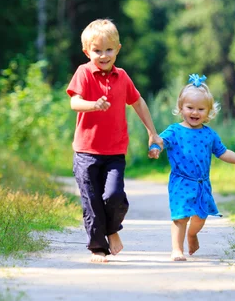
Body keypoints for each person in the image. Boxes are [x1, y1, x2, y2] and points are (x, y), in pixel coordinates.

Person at [67, 18, 163, 263]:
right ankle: (98, 248)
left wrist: (152, 132)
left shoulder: (122, 77)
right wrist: (93, 105)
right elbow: (74, 102)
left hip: (114, 152)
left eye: (109, 50)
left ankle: (112, 229)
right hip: (86, 151)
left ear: (118, 49)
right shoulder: (83, 73)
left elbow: (138, 102)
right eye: (97, 51)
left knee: (113, 196)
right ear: (87, 51)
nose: (103, 55)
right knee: (92, 201)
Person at [148, 74, 235, 261]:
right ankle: (177, 250)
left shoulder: (210, 135)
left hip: (201, 184)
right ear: (181, 108)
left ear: (209, 112)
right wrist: (155, 148)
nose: (195, 112)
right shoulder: (175, 130)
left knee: (200, 218)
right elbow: (160, 141)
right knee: (180, 217)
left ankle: (192, 234)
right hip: (181, 181)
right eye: (190, 108)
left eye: (201, 109)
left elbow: (224, 153)